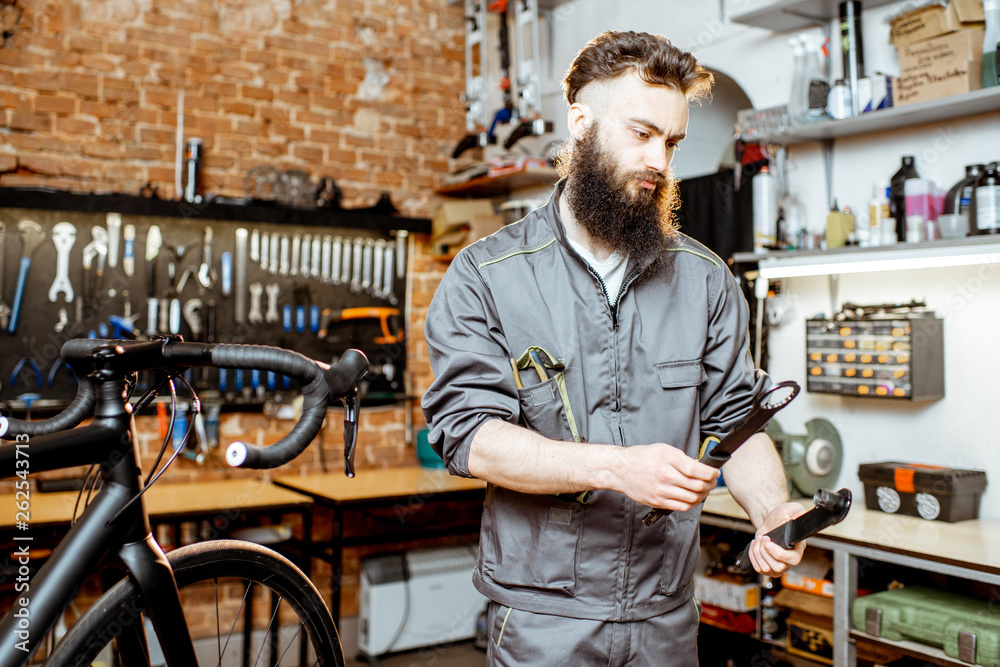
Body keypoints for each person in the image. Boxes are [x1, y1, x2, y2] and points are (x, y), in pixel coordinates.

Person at [421, 30, 805, 666]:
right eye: (641, 133)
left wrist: (771, 509)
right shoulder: (487, 276)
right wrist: (615, 467)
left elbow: (737, 419)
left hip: (667, 611)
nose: (659, 159)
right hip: (546, 613)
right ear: (581, 122)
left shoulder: (706, 280)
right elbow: (471, 436)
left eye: (672, 142)